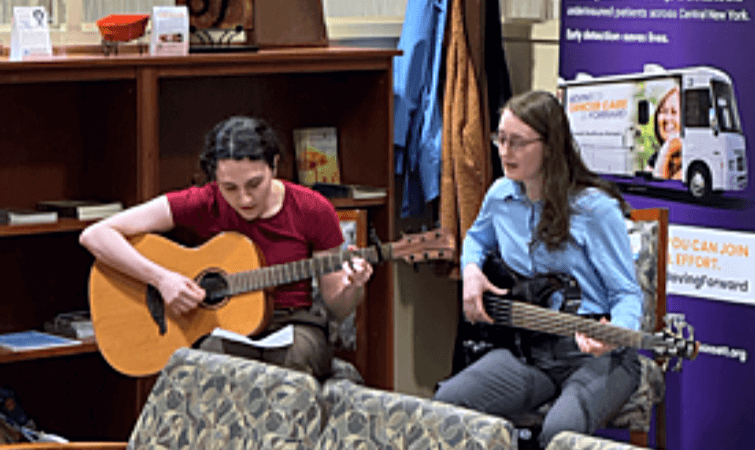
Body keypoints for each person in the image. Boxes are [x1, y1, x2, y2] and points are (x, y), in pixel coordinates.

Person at [79, 116, 373, 380]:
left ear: (274, 166)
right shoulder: (204, 202)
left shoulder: (312, 208)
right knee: (209, 366)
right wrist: (160, 278)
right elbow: (96, 235)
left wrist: (353, 287)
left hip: (293, 325)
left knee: (291, 368)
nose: (244, 199)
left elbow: (338, 306)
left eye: (254, 184)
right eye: (229, 187)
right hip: (222, 326)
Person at [433, 91, 643, 449]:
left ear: (550, 146)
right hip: (529, 350)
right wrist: (471, 272)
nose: (504, 151)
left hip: (595, 356)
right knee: (447, 406)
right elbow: (477, 239)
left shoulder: (595, 210)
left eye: (517, 142)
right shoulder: (500, 195)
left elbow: (627, 294)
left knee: (558, 435)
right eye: (501, 139)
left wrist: (614, 334)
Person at [647, 86, 682, 180]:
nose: (668, 118)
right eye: (664, 111)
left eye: (674, 112)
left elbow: (659, 180)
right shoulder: (654, 159)